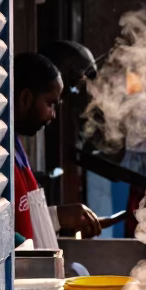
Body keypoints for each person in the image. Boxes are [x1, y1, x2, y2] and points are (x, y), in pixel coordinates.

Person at [13, 52, 101, 247]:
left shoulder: (16, 148)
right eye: (50, 104)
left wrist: (57, 216)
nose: (53, 115)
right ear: (26, 98)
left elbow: (25, 220)